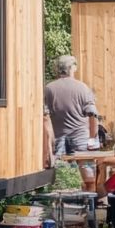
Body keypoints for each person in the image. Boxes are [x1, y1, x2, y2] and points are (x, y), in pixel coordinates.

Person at [43, 54, 100, 191]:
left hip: (58, 137)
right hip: (80, 136)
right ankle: (89, 205)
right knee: (89, 177)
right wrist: (93, 138)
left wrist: (48, 143)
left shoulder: (49, 88)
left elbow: (45, 117)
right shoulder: (83, 88)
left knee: (57, 177)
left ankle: (56, 206)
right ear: (72, 68)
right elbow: (93, 115)